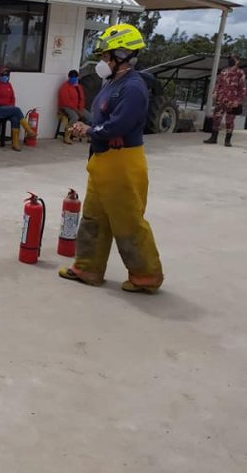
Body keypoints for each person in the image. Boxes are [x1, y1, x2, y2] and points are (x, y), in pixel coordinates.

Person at [58, 23, 163, 294]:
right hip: (102, 160)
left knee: (128, 221)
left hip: (123, 162)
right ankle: (88, 268)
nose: (103, 61)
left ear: (123, 55)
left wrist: (90, 129)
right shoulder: (112, 83)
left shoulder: (133, 88)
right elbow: (103, 119)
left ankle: (145, 276)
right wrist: (89, 127)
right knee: (93, 217)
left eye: (107, 56)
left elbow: (118, 126)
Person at [0, 65, 36, 151]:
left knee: (15, 118)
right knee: (16, 110)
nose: (5, 77)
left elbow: (13, 98)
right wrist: (9, 105)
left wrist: (10, 105)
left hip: (7, 109)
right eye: (3, 75)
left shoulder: (9, 85)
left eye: (7, 75)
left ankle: (15, 143)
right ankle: (29, 130)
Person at [205, 55, 246, 147]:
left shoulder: (240, 73)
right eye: (229, 59)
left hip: (232, 102)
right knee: (216, 119)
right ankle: (213, 138)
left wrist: (238, 101)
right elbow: (218, 84)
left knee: (229, 121)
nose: (230, 60)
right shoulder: (223, 72)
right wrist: (214, 93)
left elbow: (242, 89)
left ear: (238, 61)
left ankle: (227, 140)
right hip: (220, 100)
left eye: (233, 59)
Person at [57, 69, 91, 144]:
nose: (74, 79)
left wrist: (81, 109)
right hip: (65, 107)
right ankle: (67, 136)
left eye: (75, 77)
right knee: (74, 117)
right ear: (69, 77)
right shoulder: (64, 87)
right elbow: (66, 102)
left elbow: (81, 98)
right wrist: (77, 111)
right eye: (72, 77)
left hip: (78, 108)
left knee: (90, 117)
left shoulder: (78, 87)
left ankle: (90, 136)